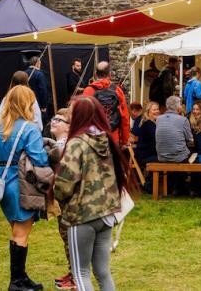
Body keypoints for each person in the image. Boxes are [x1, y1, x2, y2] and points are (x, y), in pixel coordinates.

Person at [53, 96, 134, 291]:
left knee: (81, 273)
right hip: (107, 213)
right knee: (103, 272)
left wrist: (58, 198)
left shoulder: (76, 144)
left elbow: (64, 184)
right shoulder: (106, 140)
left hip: (82, 215)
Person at [0, 85, 50, 291]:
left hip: (2, 181)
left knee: (16, 231)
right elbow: (40, 158)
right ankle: (16, 281)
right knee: (21, 234)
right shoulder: (29, 128)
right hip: (21, 183)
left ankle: (21, 277)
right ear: (27, 103)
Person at [47, 108, 75, 291]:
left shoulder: (66, 144)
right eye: (53, 118)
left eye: (59, 120)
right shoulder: (58, 143)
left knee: (69, 237)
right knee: (65, 235)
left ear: (68, 127)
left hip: (67, 198)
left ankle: (75, 276)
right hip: (59, 196)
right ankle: (72, 272)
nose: (54, 121)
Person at [82, 61, 130, 148]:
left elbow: (83, 117)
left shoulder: (88, 91)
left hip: (93, 139)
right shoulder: (117, 91)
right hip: (113, 137)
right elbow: (124, 117)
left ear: (95, 74)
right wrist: (124, 141)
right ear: (110, 74)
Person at [155, 96, 193, 163]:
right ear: (178, 107)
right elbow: (190, 139)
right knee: (195, 155)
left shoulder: (158, 119)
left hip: (162, 157)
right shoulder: (183, 120)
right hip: (179, 158)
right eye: (181, 105)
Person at [131, 102, 159, 170]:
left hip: (147, 154)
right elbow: (155, 141)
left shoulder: (152, 123)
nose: (157, 111)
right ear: (148, 112)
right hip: (144, 156)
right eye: (154, 110)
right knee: (167, 159)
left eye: (157, 109)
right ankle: (151, 180)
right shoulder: (148, 124)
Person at [25, 57, 50, 126]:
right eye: (39, 63)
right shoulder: (39, 74)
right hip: (38, 103)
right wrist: (43, 106)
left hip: (26, 102)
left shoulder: (24, 73)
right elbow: (43, 90)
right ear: (37, 63)